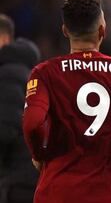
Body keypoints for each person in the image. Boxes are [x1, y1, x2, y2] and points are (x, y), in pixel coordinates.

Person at [22, 0, 111, 203]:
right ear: (102, 30)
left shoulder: (44, 73)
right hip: (109, 193)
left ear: (65, 31)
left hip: (57, 192)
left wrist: (40, 154)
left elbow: (31, 124)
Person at [0, 14, 40, 202]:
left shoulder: (8, 73)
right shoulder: (29, 72)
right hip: (35, 176)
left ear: (3, 39)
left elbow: (5, 129)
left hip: (19, 179)